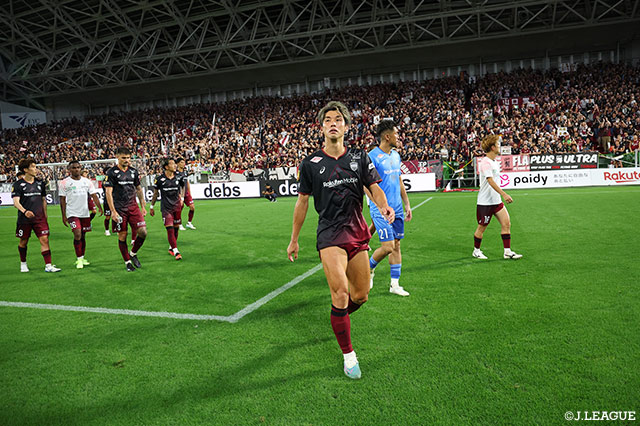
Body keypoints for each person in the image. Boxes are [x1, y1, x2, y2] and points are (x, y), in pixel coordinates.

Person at [286, 101, 394, 380]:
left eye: (338, 119)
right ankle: (349, 355)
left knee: (360, 295)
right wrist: (294, 239)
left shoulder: (359, 157)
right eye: (328, 120)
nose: (332, 123)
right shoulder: (310, 164)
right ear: (321, 128)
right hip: (330, 235)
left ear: (346, 127)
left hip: (357, 233)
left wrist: (383, 206)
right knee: (341, 293)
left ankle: (339, 316)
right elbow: (302, 202)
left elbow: (374, 188)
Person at [366, 120, 412, 296]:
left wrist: (407, 204)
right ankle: (368, 268)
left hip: (397, 208)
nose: (399, 137)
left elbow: (399, 180)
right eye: (396, 134)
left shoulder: (395, 155)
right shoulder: (372, 157)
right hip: (381, 209)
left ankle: (394, 285)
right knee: (387, 247)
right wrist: (378, 205)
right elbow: (365, 185)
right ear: (387, 136)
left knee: (396, 245)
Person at [473, 135, 523, 260]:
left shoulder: (494, 162)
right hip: (485, 202)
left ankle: (507, 252)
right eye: (498, 145)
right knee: (481, 228)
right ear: (492, 147)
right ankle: (476, 251)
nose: (499, 147)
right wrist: (504, 194)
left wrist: (500, 196)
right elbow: (490, 181)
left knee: (506, 223)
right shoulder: (485, 163)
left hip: (496, 201)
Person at [11, 158, 60, 273]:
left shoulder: (40, 183)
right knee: (23, 241)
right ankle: (23, 263)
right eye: (33, 167)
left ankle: (48, 265)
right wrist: (25, 211)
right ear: (25, 170)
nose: (36, 169)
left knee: (44, 240)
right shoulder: (18, 185)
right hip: (24, 219)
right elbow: (16, 203)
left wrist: (45, 214)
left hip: (39, 218)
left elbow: (43, 200)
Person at [104, 147, 148, 271]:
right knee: (122, 235)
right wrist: (113, 211)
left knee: (143, 232)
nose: (126, 160)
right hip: (119, 209)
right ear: (117, 157)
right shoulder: (111, 173)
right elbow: (108, 193)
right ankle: (127, 262)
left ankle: (133, 253)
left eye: (128, 158)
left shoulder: (133, 172)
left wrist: (143, 206)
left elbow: (138, 189)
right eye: (123, 158)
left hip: (133, 207)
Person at [59, 161, 103, 269]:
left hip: (84, 213)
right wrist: (64, 215)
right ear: (69, 169)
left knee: (83, 236)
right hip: (72, 213)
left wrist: (99, 207)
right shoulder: (64, 183)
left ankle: (82, 257)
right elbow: (62, 200)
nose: (76, 169)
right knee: (77, 234)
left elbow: (94, 195)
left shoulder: (87, 181)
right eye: (74, 168)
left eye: (78, 167)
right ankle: (79, 259)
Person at [150, 158, 184, 260]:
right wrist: (151, 206)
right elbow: (155, 193)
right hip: (166, 208)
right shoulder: (159, 179)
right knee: (170, 229)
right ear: (166, 167)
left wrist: (182, 198)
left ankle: (171, 247)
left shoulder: (178, 177)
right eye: (172, 164)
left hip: (177, 207)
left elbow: (183, 187)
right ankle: (176, 251)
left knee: (176, 228)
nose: (175, 165)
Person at [176, 158, 196, 230]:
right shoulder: (175, 173)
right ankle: (179, 224)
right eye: (181, 162)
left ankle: (189, 223)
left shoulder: (185, 172)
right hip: (179, 193)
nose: (183, 164)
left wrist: (189, 192)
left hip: (186, 192)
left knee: (192, 207)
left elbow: (187, 182)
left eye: (184, 162)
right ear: (178, 163)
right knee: (180, 208)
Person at [101, 166, 113, 236]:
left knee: (117, 215)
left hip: (116, 200)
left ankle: (116, 229)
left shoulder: (114, 178)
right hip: (107, 200)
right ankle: (107, 230)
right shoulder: (105, 180)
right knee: (108, 216)